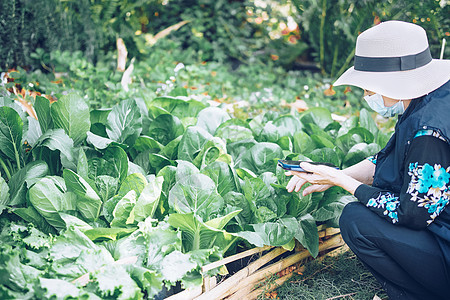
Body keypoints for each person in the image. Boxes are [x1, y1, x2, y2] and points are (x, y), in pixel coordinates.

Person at [286, 20, 450, 300]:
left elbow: (412, 214)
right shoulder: (433, 97)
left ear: (394, 83)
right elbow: (389, 158)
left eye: (370, 88)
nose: (366, 95)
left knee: (355, 219)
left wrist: (344, 182)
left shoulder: (429, 133)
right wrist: (332, 176)